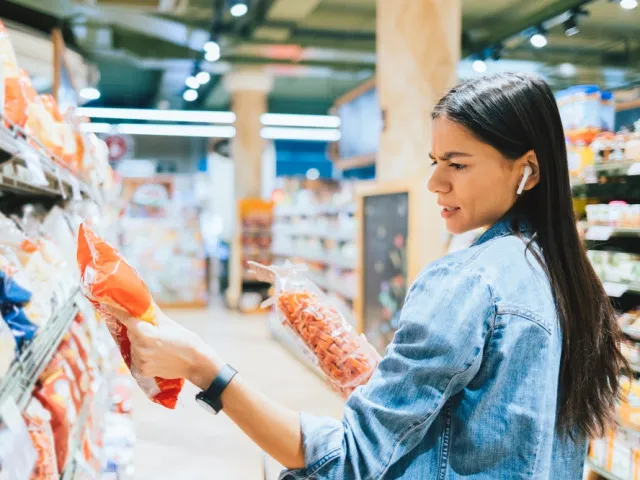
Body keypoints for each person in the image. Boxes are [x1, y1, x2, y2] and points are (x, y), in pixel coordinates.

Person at [114, 73, 627, 479]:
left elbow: (349, 464)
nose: (433, 181)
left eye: (458, 164)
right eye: (434, 160)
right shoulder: (571, 281)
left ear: (528, 170)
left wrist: (205, 367)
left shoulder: (467, 283)